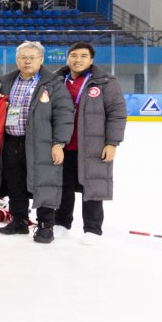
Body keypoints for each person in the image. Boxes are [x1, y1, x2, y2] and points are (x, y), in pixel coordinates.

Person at [0, 41, 73, 244]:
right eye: (23, 58)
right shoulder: (8, 81)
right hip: (11, 141)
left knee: (44, 183)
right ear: (17, 60)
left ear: (41, 60)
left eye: (32, 58)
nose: (27, 61)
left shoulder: (52, 84)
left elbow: (64, 114)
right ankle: (19, 221)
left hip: (40, 143)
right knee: (16, 184)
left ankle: (45, 226)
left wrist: (58, 143)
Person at [53, 42, 126, 245]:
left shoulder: (105, 82)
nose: (78, 60)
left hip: (93, 144)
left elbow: (117, 114)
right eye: (74, 55)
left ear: (91, 60)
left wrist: (112, 142)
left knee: (92, 185)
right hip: (62, 144)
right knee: (63, 185)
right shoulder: (57, 80)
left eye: (83, 56)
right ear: (67, 58)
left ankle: (92, 228)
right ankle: (61, 222)